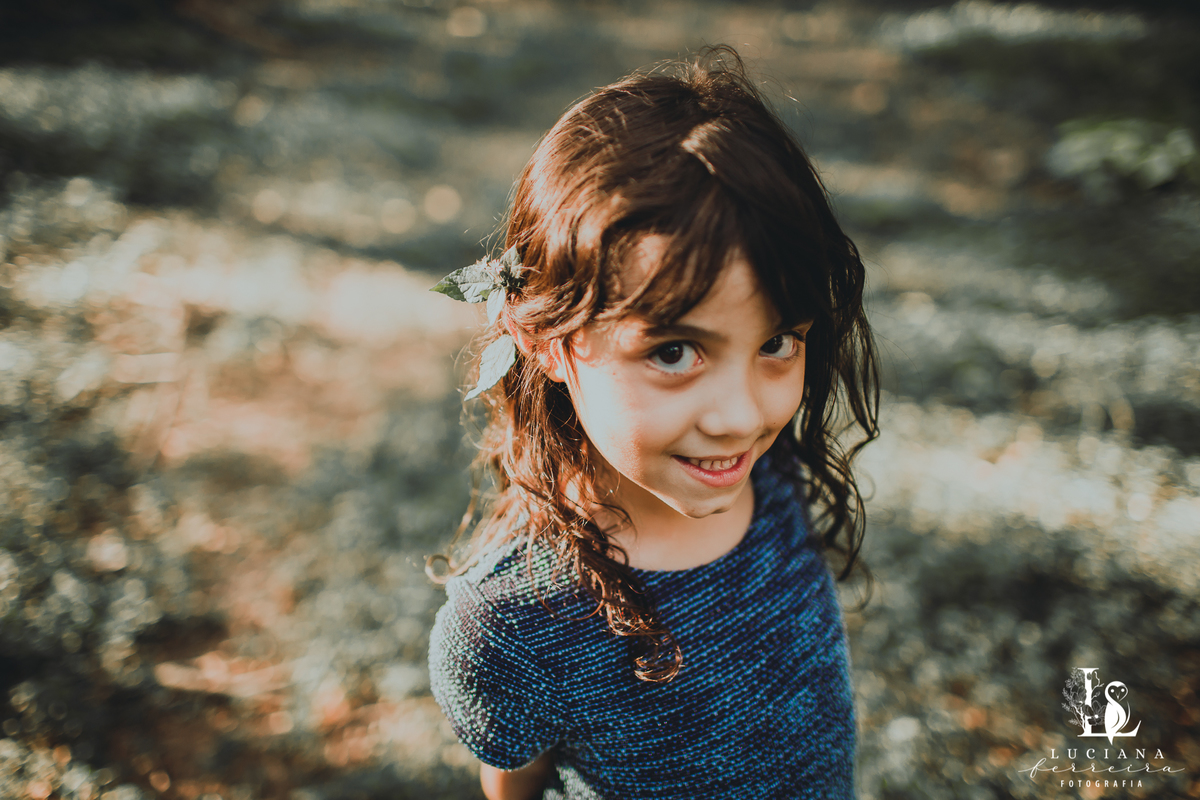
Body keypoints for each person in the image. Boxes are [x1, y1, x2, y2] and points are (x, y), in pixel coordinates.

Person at [426, 45, 879, 800]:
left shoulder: (773, 473)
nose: (741, 417)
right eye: (674, 352)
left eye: (776, 343)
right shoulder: (511, 622)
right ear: (547, 342)